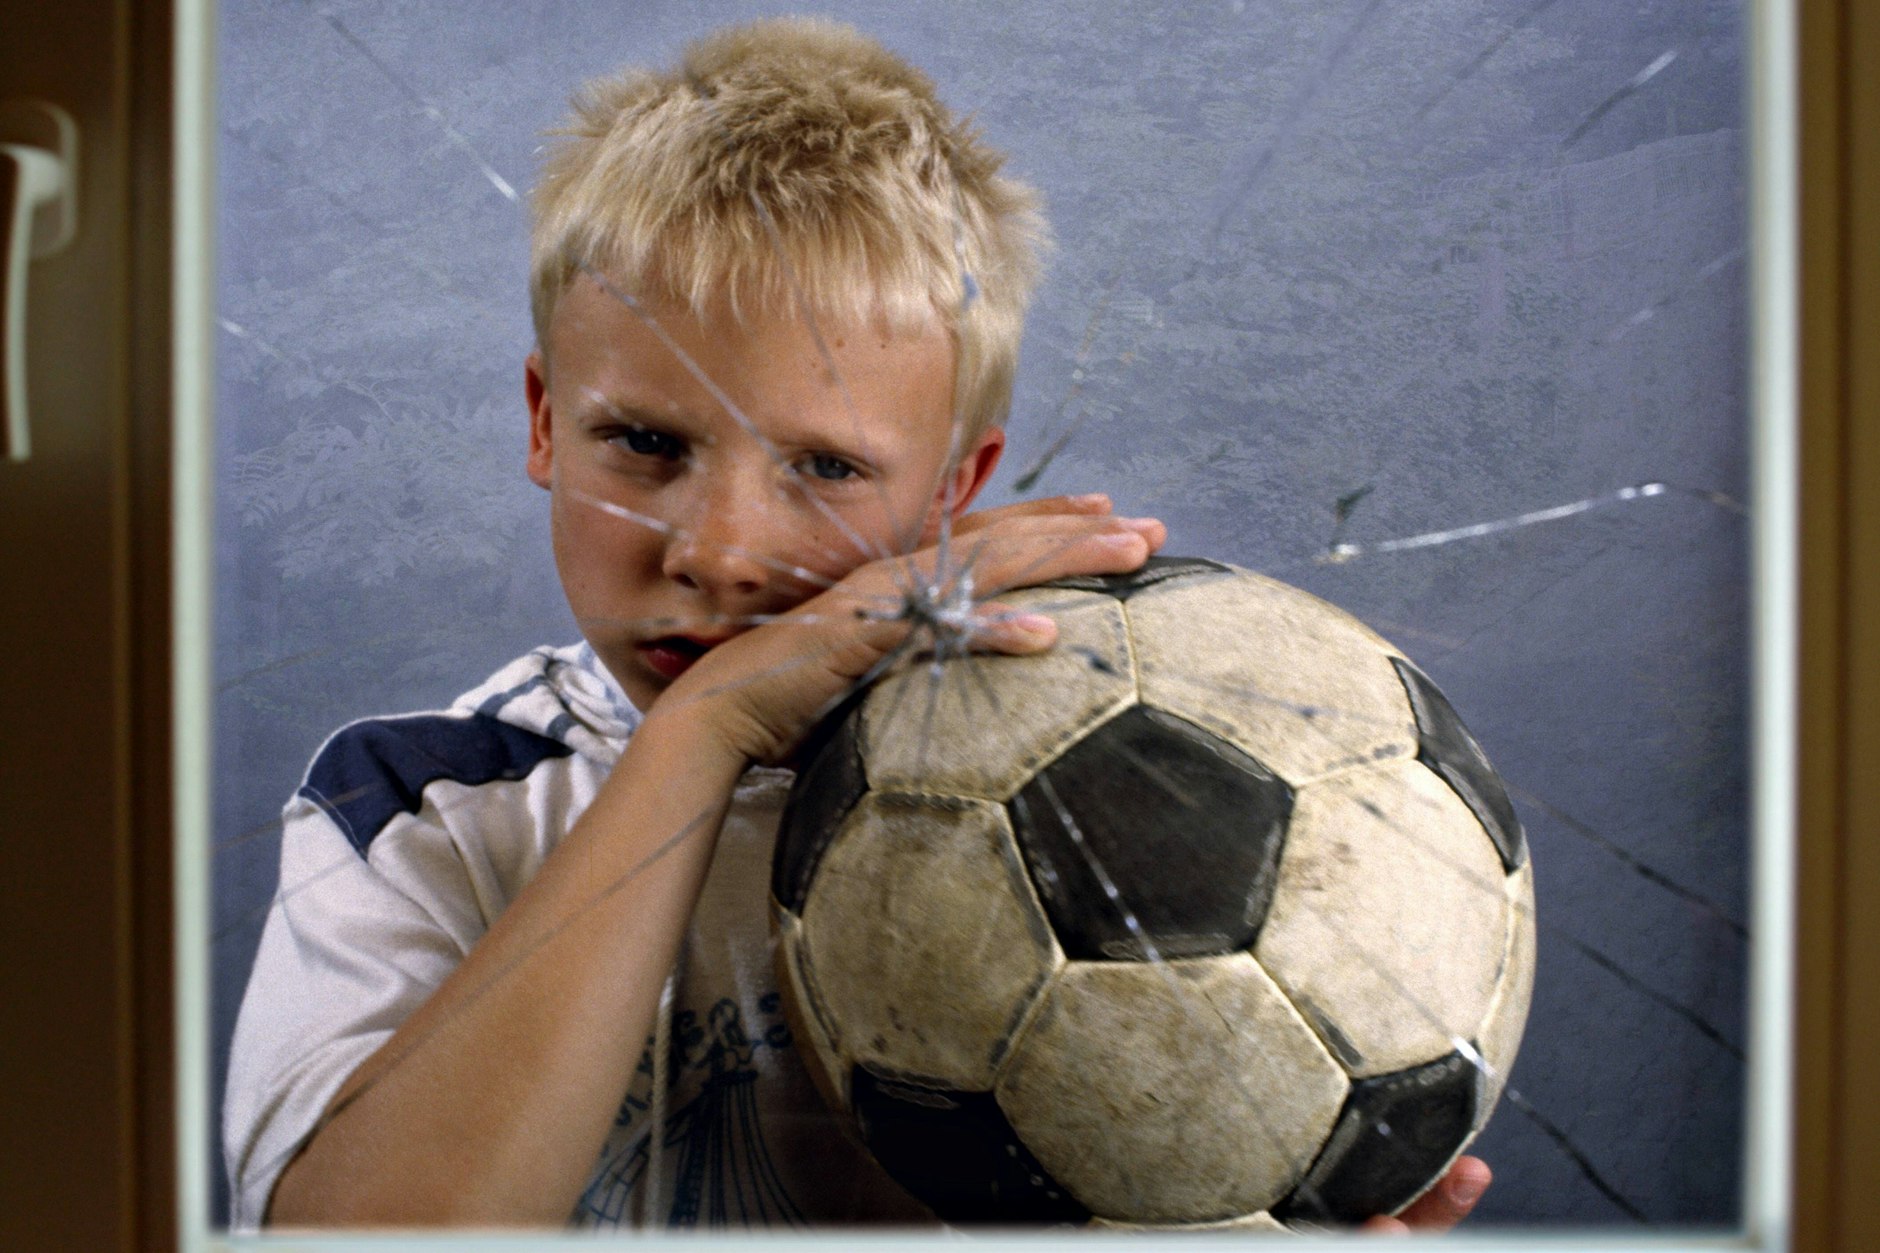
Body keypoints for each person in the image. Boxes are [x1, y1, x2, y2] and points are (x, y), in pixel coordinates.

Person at [223, 17, 1491, 1232]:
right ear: (546, 421)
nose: (716, 552)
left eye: (825, 467)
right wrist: (706, 730)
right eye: (645, 441)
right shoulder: (418, 805)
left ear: (951, 488)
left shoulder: (1112, 787)